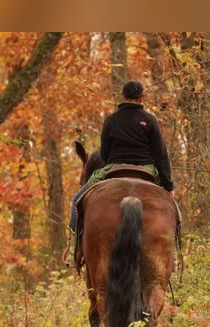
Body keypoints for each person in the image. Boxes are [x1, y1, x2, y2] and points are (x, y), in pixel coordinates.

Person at [65, 80, 174, 267]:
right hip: (146, 169)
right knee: (172, 208)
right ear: (142, 97)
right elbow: (160, 154)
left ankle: (74, 252)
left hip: (113, 167)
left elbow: (105, 153)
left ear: (122, 96)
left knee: (77, 201)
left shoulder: (111, 120)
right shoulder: (150, 120)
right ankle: (174, 256)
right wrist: (168, 186)